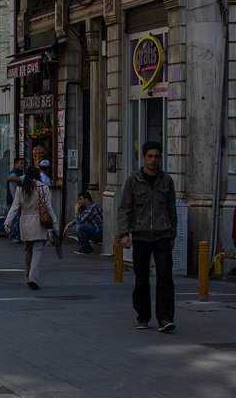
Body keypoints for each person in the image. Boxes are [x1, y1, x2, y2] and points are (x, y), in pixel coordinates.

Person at [118, 141, 178, 333]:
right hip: (141, 235)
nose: (153, 160)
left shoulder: (166, 180)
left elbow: (172, 209)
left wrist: (172, 234)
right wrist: (124, 234)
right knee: (142, 278)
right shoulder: (133, 180)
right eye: (150, 156)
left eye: (157, 157)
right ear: (143, 157)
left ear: (161, 158)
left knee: (165, 277)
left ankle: (165, 318)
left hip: (162, 234)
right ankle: (143, 316)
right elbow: (125, 208)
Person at [4, 167, 52, 290]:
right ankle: (33, 278)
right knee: (38, 250)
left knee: (27, 250)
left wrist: (7, 223)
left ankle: (28, 276)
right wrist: (55, 225)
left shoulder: (21, 189)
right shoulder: (43, 187)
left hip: (25, 221)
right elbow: (49, 208)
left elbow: (15, 207)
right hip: (39, 222)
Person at [64, 190, 104, 255]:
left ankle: (87, 249)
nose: (79, 201)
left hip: (100, 234)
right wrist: (69, 224)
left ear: (86, 199)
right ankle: (85, 248)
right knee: (76, 226)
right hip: (95, 232)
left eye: (80, 199)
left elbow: (79, 220)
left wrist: (76, 210)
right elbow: (80, 218)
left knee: (79, 227)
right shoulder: (89, 207)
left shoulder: (92, 207)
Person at [5, 157, 26, 243]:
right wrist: (16, 201)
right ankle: (12, 236)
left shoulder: (19, 173)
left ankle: (16, 235)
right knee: (15, 218)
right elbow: (12, 189)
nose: (22, 165)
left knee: (17, 218)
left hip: (15, 200)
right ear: (16, 164)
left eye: (23, 163)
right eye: (20, 163)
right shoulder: (14, 174)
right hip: (13, 200)